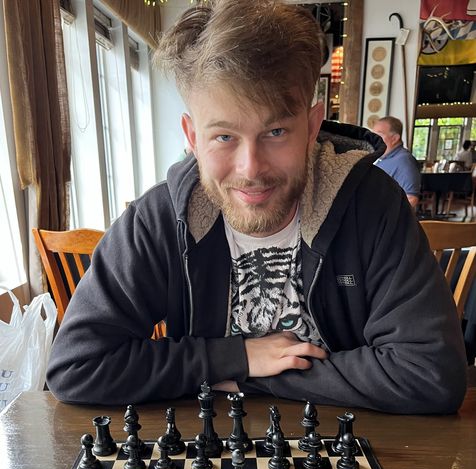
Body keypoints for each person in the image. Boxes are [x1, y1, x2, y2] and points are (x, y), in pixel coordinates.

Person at [46, 0, 467, 414]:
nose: (251, 169)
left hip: (351, 444)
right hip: (206, 446)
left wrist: (255, 374)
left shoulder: (373, 205)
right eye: (224, 137)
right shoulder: (159, 219)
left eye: (276, 131)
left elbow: (433, 374)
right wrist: (237, 356)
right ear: (192, 138)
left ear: (312, 126)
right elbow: (75, 367)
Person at [372, 116, 421, 209]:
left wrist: (385, 216)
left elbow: (411, 199)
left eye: (378, 135)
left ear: (394, 138)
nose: (373, 139)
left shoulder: (404, 161)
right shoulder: (384, 158)